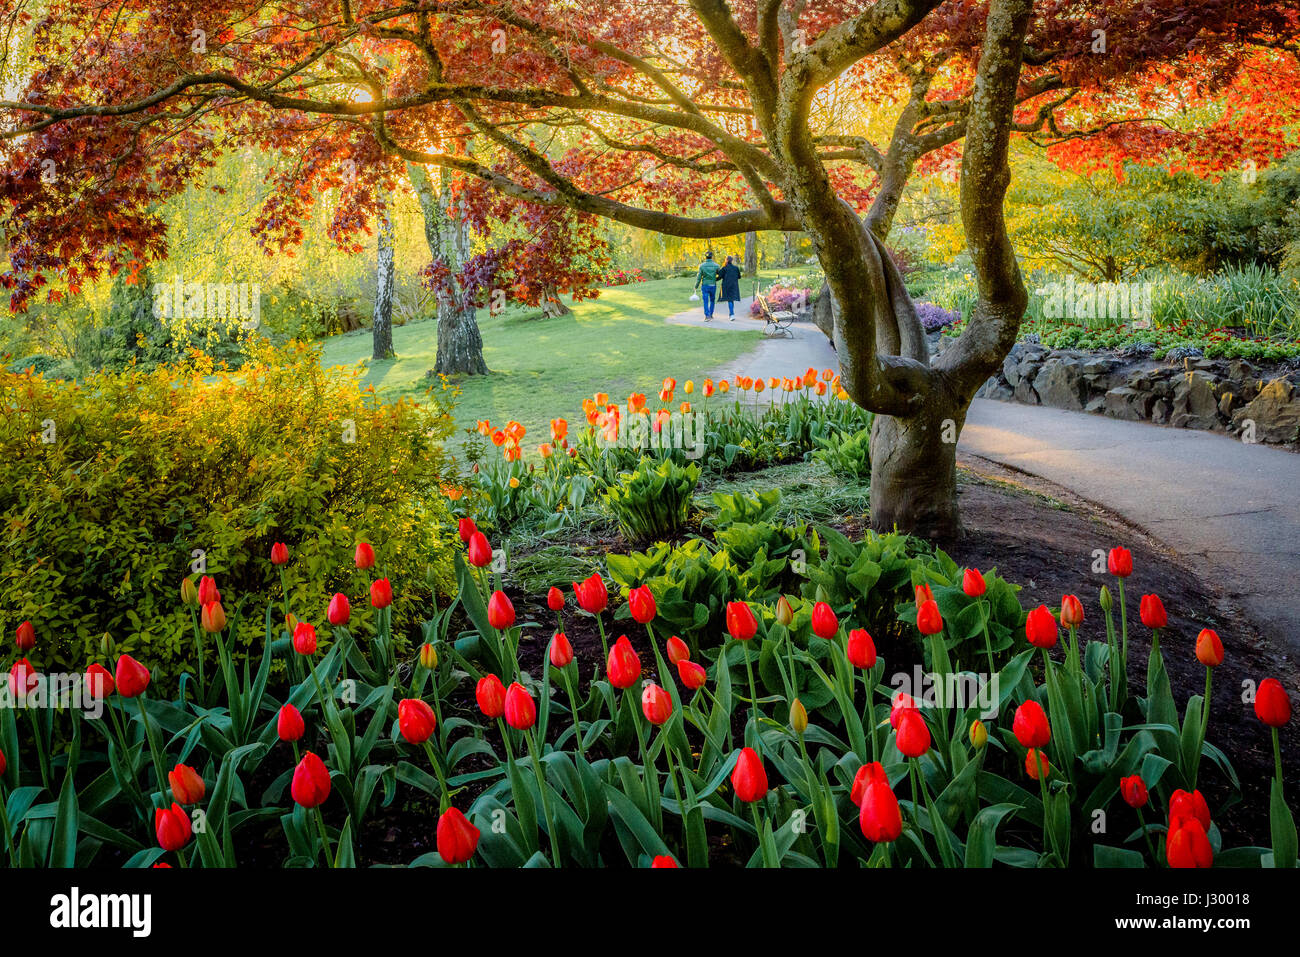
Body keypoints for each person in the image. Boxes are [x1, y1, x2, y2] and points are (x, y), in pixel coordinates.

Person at [694, 251, 721, 320]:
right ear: (712, 257)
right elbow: (720, 275)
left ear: (705, 257)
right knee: (712, 300)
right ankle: (711, 314)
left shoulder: (702, 266)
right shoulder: (716, 265)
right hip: (713, 285)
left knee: (705, 301)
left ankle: (707, 316)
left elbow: (699, 278)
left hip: (705, 285)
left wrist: (696, 286)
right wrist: (715, 279)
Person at [717, 255, 742, 320]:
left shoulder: (724, 268)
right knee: (731, 300)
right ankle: (731, 314)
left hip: (726, 286)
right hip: (734, 285)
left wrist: (713, 279)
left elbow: (719, 276)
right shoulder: (736, 268)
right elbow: (739, 277)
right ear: (732, 260)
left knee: (730, 300)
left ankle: (732, 314)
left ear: (726, 260)